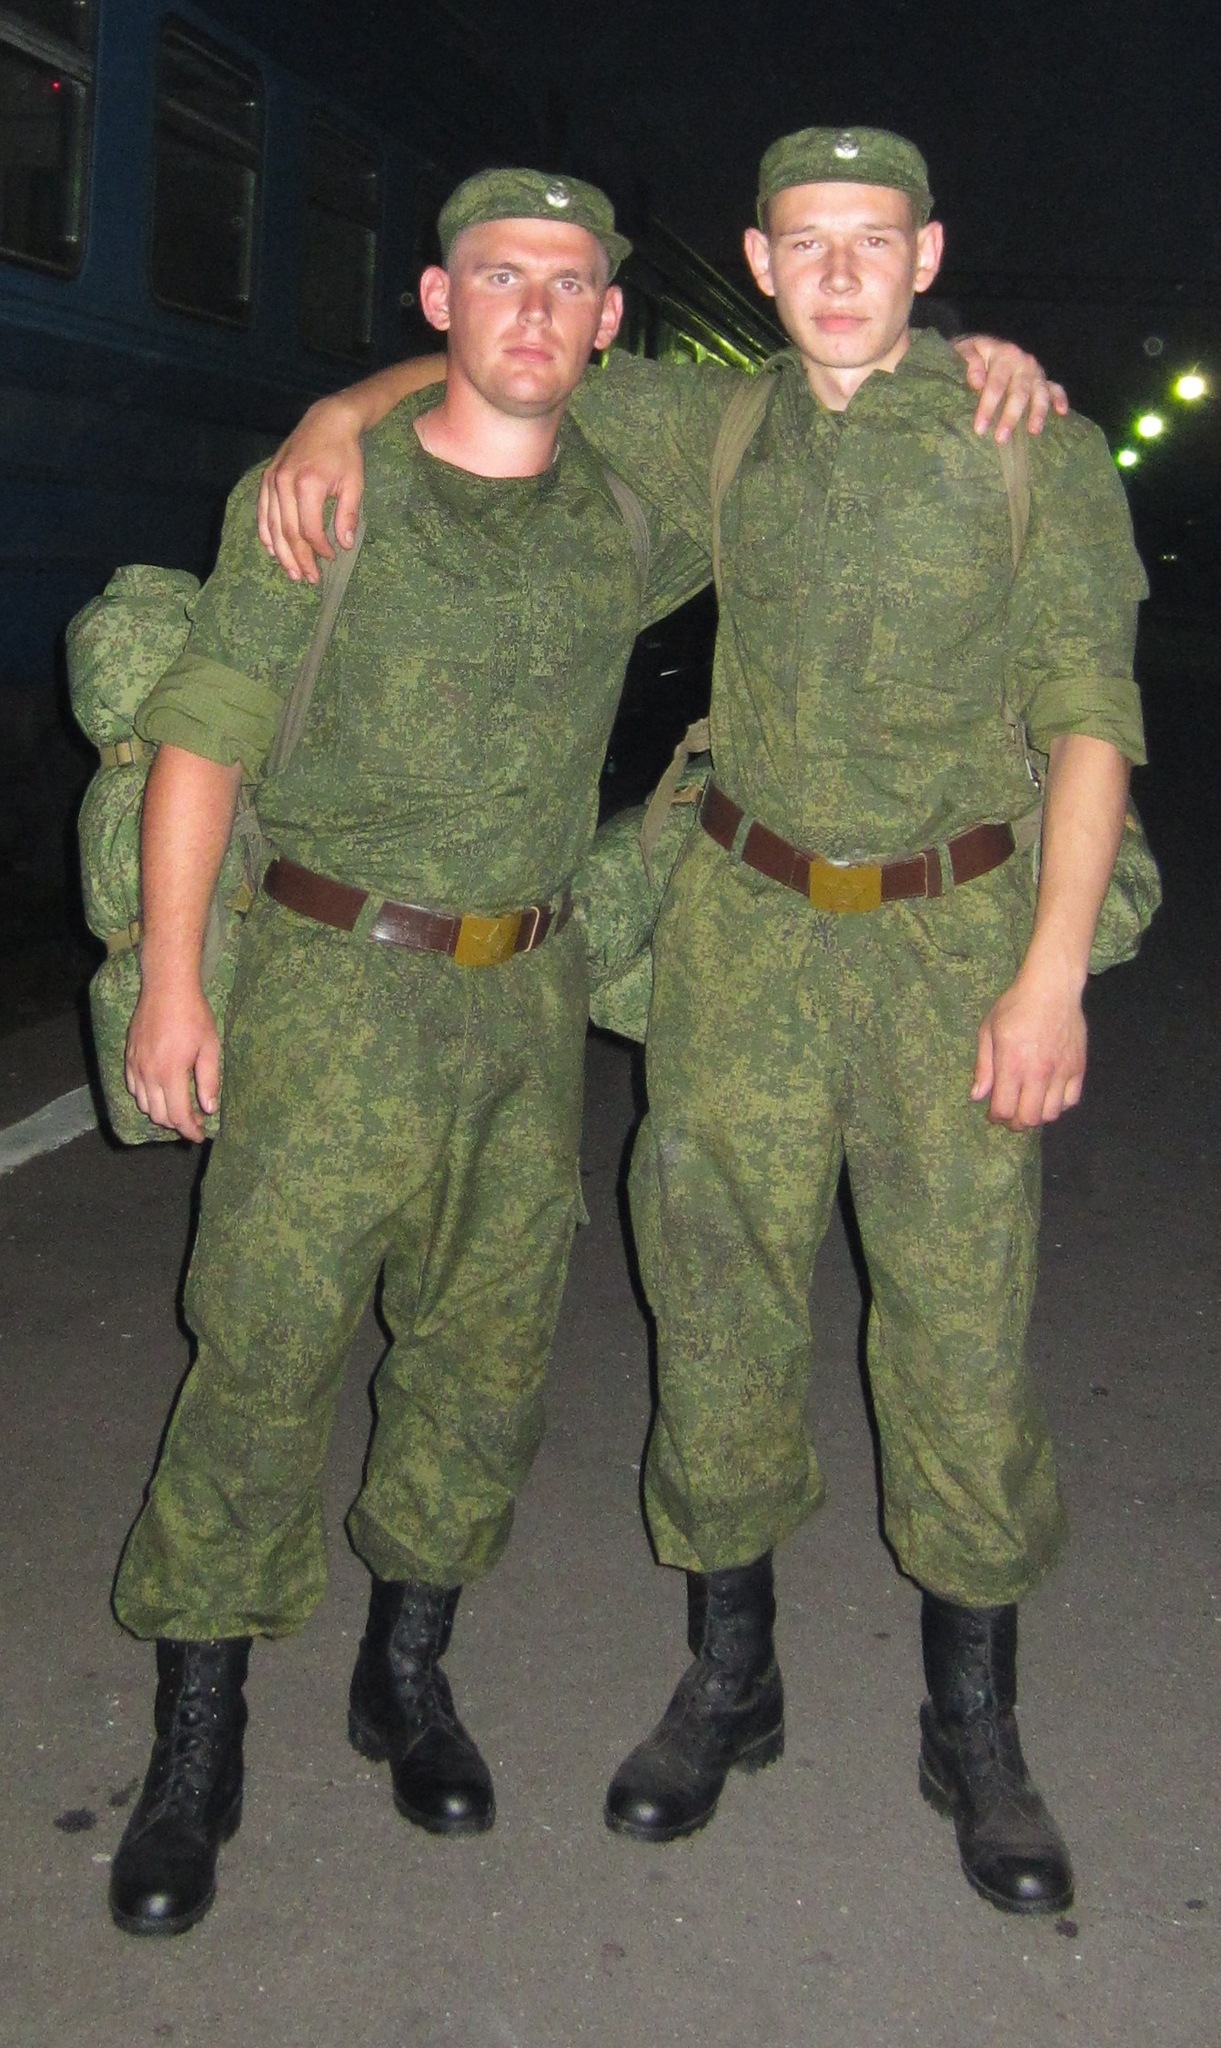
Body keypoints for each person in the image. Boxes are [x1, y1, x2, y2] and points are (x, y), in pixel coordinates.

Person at [259, 128, 1146, 1919]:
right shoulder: (714, 424)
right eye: (804, 242)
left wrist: (1048, 976)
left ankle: (973, 1728)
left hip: (953, 942)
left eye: (871, 240)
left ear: (926, 256)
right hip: (742, 931)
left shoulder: (1027, 445)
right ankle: (728, 1680)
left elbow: (1088, 718)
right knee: (716, 1304)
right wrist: (330, 419)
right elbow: (511, 354)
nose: (838, 272)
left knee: (959, 1327)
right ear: (757, 263)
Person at [107, 168, 715, 1939]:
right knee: (261, 1352)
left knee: (483, 1351)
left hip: (525, 998)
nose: (534, 308)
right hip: (329, 983)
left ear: (609, 322)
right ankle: (199, 1735)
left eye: (569, 283)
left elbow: (819, 424)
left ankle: (406, 1671)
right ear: (435, 302)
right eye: (495, 276)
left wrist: (982, 365)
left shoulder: (630, 512)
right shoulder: (324, 495)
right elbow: (206, 737)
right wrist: (171, 987)